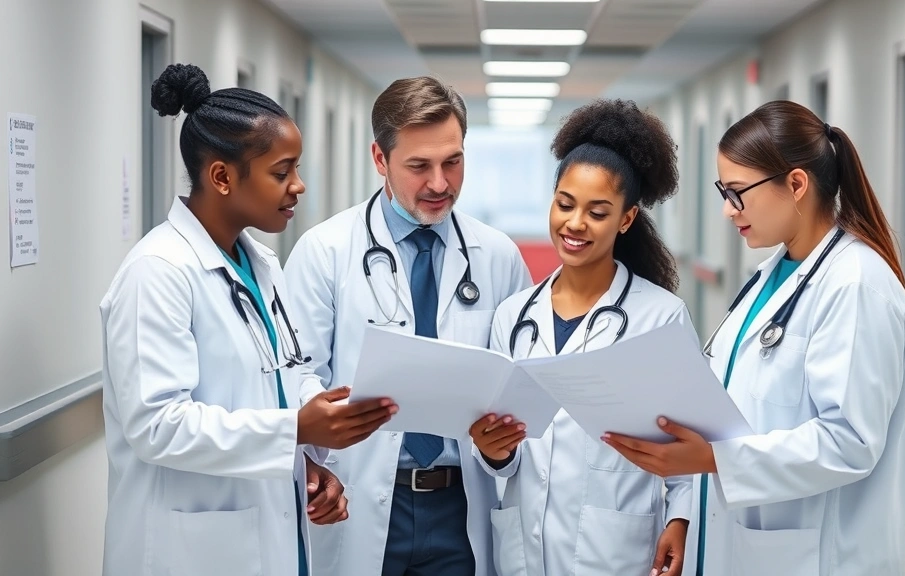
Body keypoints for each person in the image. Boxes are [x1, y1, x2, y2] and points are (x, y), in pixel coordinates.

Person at [99, 63, 398, 576]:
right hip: (191, 550)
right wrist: (294, 430)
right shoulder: (158, 272)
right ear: (221, 176)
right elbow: (157, 425)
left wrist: (308, 455)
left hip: (271, 531)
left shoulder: (259, 264)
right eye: (282, 172)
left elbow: (285, 374)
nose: (298, 186)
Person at [604, 100, 905, 576]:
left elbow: (849, 441)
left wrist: (716, 459)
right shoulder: (770, 275)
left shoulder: (855, 284)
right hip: (742, 544)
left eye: (737, 193)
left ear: (796, 184)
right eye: (723, 191)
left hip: (819, 557)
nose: (728, 211)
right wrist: (687, 517)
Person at [283, 76, 532, 576]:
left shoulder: (498, 256)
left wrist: (504, 438)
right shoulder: (325, 250)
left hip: (462, 505)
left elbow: (521, 378)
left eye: (453, 162)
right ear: (381, 159)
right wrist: (326, 424)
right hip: (361, 493)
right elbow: (296, 372)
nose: (440, 184)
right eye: (419, 166)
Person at [469, 99, 700, 576]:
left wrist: (680, 519)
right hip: (524, 547)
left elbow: (689, 438)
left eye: (598, 212)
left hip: (615, 550)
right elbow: (499, 450)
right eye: (565, 204)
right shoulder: (513, 316)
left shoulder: (659, 317)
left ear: (627, 219)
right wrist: (496, 452)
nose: (575, 224)